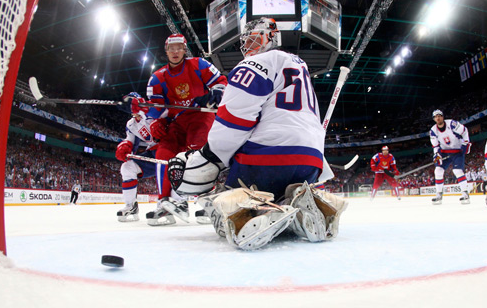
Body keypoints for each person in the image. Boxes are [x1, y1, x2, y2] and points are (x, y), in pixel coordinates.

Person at [166, 17, 347, 250]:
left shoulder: (255, 63)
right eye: (246, 42)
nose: (248, 47)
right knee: (284, 193)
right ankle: (306, 210)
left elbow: (234, 120)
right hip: (312, 164)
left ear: (272, 38)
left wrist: (209, 156)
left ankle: (254, 213)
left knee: (224, 208)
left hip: (268, 160)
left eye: (253, 39)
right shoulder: (299, 65)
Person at [130, 33, 228, 221]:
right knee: (163, 153)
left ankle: (207, 203)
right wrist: (150, 117)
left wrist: (217, 90)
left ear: (184, 49)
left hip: (201, 116)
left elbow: (221, 82)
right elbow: (157, 109)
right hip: (177, 121)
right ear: (166, 51)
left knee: (198, 154)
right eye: (171, 48)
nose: (175, 51)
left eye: (179, 48)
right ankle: (165, 204)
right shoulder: (157, 78)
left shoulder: (199, 65)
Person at [114, 93, 176, 225]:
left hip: (169, 149)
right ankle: (131, 206)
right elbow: (130, 141)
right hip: (153, 152)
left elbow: (169, 115)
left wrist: (146, 109)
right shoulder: (131, 125)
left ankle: (166, 205)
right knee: (127, 167)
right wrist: (124, 146)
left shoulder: (153, 111)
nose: (134, 114)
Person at [429, 109, 472, 205]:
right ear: (434, 119)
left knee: (457, 171)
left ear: (443, 116)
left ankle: (465, 193)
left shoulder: (452, 124)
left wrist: (466, 143)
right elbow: (435, 146)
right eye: (435, 117)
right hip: (444, 152)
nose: (438, 118)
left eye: (439, 115)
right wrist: (437, 155)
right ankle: (439, 194)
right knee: (438, 171)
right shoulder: (433, 130)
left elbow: (464, 131)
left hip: (457, 151)